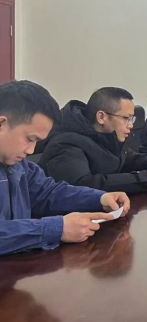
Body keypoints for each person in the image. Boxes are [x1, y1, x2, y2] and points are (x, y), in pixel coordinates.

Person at [0, 80, 130, 256]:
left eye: (37, 141)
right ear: (2, 124)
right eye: (30, 139)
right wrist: (56, 229)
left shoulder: (19, 165)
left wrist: (99, 198)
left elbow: (48, 193)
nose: (31, 150)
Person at [39, 87, 147, 194]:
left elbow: (125, 158)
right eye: (126, 118)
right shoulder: (66, 143)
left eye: (132, 119)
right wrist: (142, 179)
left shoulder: (105, 134)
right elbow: (83, 184)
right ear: (101, 117)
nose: (131, 125)